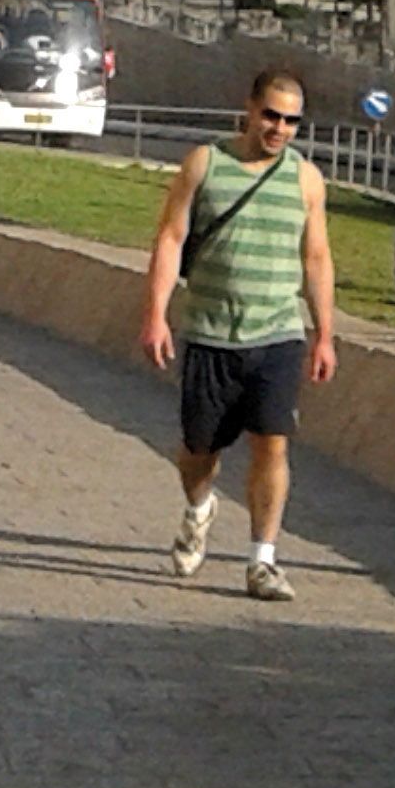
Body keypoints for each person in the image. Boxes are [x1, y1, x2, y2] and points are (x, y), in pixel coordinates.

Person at [138, 69, 339, 602]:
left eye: (291, 120)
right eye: (271, 115)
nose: (279, 128)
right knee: (198, 448)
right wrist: (156, 314)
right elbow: (171, 238)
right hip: (209, 331)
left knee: (272, 444)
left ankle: (262, 560)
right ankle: (200, 506)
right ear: (250, 109)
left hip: (277, 334)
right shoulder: (205, 164)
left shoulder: (306, 180)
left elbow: (316, 257)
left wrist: (324, 334)